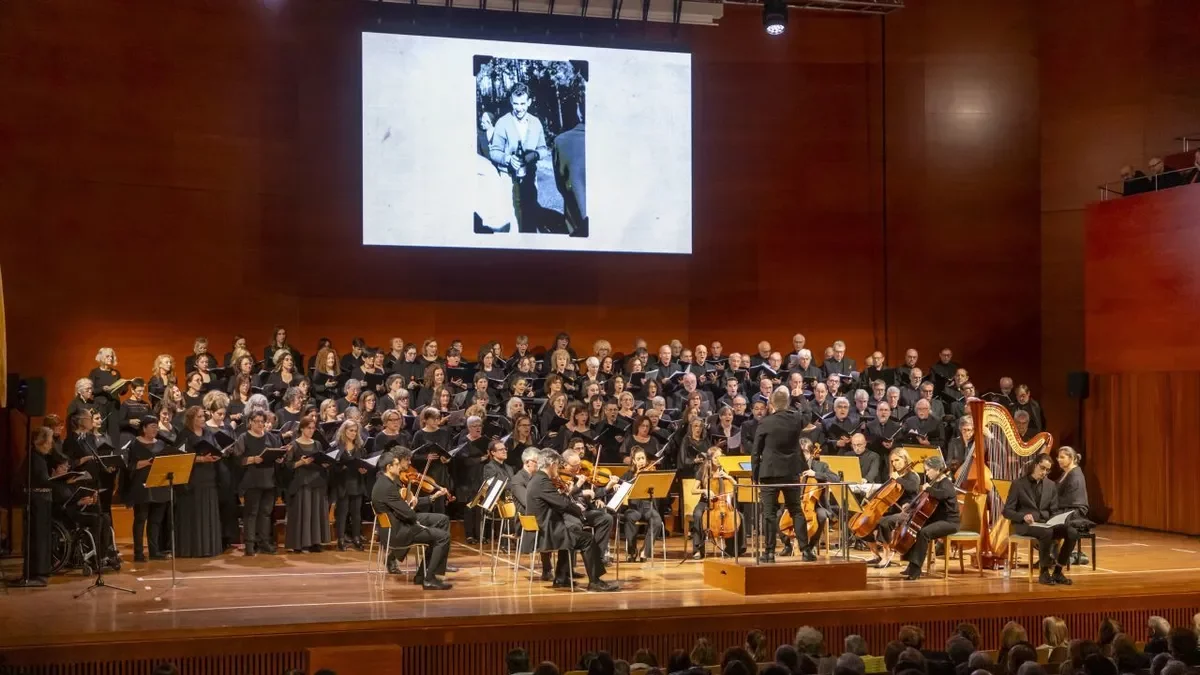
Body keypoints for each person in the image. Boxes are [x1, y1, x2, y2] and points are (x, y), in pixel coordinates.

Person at [526, 448, 618, 592]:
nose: (558, 468)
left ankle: (561, 578)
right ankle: (595, 581)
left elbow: (558, 502)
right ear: (551, 464)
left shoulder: (537, 479)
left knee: (573, 533)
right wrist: (577, 509)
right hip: (548, 530)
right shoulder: (542, 481)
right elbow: (562, 503)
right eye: (557, 465)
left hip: (546, 527)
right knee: (587, 539)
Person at [370, 448, 453, 590]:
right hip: (399, 532)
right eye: (397, 464)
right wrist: (409, 507)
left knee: (442, 519)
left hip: (395, 526)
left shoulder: (386, 483)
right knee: (443, 537)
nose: (401, 467)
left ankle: (424, 575)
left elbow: (404, 508)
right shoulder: (388, 487)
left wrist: (430, 498)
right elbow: (410, 515)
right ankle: (429, 579)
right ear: (389, 467)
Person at [1003, 454, 1078, 585]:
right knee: (1047, 533)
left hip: (1045, 523)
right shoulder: (1018, 484)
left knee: (1072, 532)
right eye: (1042, 468)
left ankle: (1058, 571)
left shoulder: (1051, 485)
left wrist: (1059, 519)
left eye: (1047, 470)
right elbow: (1007, 511)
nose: (1044, 472)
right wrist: (1023, 516)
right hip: (1025, 525)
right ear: (1035, 465)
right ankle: (1043, 573)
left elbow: (1054, 510)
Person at [752, 386, 806, 563]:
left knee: (769, 513)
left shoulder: (765, 422)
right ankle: (806, 551)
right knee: (796, 510)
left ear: (772, 403)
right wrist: (801, 397)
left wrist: (755, 476)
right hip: (791, 472)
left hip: (769, 473)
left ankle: (768, 553)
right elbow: (809, 415)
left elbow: (756, 452)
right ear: (788, 403)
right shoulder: (796, 419)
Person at [489, 83, 550, 233]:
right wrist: (508, 159)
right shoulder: (502, 123)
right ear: (511, 101)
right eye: (516, 103)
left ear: (529, 102)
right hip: (508, 178)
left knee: (529, 218)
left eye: (523, 103)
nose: (519, 108)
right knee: (514, 221)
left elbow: (544, 149)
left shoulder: (536, 123)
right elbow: (494, 152)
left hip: (530, 178)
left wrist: (535, 155)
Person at [897, 455, 959, 580]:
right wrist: (911, 505)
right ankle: (911, 565)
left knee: (924, 533)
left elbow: (943, 495)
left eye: (928, 470)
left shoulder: (946, 483)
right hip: (938, 520)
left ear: (937, 469)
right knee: (915, 529)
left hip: (950, 522)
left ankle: (916, 570)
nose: (926, 473)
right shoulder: (935, 483)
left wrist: (929, 489)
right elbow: (925, 501)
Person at [231, 410, 283, 556]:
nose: (260, 424)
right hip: (252, 481)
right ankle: (249, 544)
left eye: (262, 421)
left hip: (269, 480)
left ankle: (264, 542)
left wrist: (279, 458)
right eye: (257, 421)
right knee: (251, 513)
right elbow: (236, 459)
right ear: (250, 423)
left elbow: (276, 453)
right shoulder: (244, 437)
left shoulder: (271, 437)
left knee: (266, 513)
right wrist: (252, 459)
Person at [13, 427, 57, 586]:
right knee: (36, 538)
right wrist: (58, 478)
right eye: (49, 443)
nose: (50, 446)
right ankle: (36, 574)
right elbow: (42, 480)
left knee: (40, 538)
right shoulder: (35, 458)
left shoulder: (39, 458)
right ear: (41, 442)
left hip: (41, 502)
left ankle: (39, 574)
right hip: (37, 502)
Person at [128, 416, 171, 562]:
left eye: (156, 426)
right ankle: (138, 552)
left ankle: (154, 551)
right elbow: (130, 466)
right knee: (140, 519)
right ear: (144, 428)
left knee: (156, 521)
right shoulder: (134, 444)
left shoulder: (161, 443)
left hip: (159, 484)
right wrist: (147, 462)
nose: (155, 429)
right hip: (141, 486)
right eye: (152, 426)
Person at [621, 447, 664, 562]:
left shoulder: (650, 473)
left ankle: (645, 550)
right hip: (633, 507)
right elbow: (621, 490)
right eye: (638, 459)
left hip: (647, 506)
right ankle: (632, 551)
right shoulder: (628, 475)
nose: (641, 461)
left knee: (656, 520)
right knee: (629, 517)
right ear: (634, 461)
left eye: (643, 458)